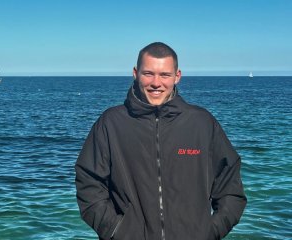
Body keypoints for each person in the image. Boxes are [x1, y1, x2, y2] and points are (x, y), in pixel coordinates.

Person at [75, 42, 247, 240]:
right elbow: (89, 183)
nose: (156, 83)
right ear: (135, 73)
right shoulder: (111, 123)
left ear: (177, 76)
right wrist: (116, 230)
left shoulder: (202, 123)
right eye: (148, 73)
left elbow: (230, 186)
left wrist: (211, 230)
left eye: (165, 75)